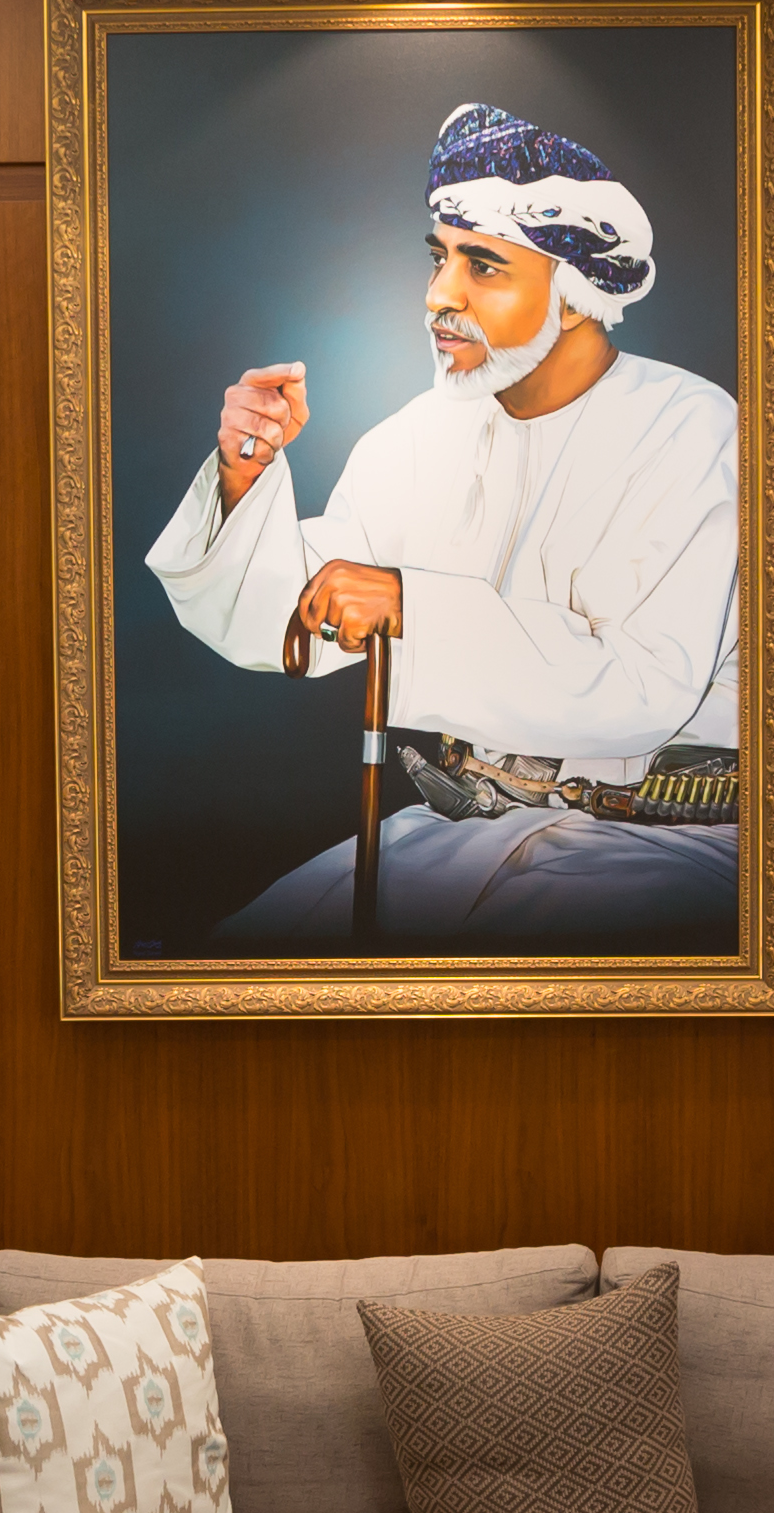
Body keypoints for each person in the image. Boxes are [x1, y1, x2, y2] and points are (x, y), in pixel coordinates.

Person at [145, 99, 742, 951]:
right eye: (439, 260)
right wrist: (245, 478)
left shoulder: (691, 428)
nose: (438, 297)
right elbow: (293, 620)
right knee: (232, 969)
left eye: (483, 268)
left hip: (666, 849)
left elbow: (641, 686)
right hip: (457, 835)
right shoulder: (419, 434)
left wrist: (410, 606)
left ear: (574, 298)